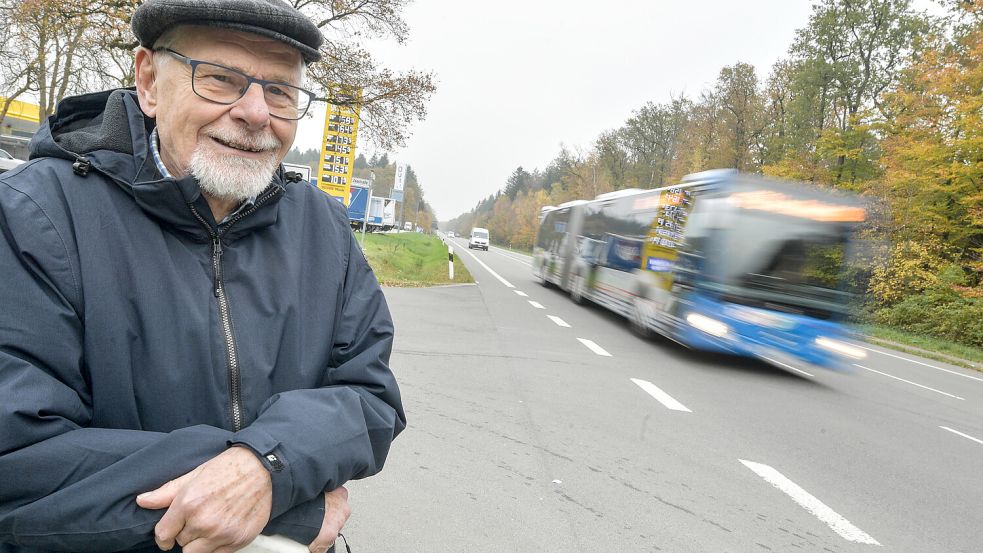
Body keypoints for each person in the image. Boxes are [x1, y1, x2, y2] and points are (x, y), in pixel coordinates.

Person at [0, 0, 405, 552]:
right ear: (148, 80)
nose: (256, 112)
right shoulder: (34, 216)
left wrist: (269, 466)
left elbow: (370, 397)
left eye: (281, 91)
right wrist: (287, 500)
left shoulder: (323, 227)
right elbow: (17, 461)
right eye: (220, 79)